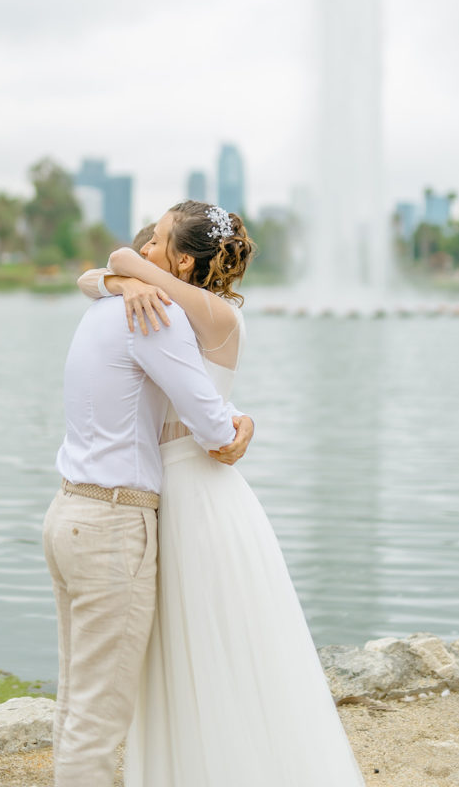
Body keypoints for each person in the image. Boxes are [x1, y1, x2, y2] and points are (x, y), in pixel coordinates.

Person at [79, 200, 366, 787]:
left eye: (159, 242)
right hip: (168, 487)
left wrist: (124, 272)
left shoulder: (214, 316)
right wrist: (117, 280)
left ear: (184, 262)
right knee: (175, 652)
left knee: (216, 642)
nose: (146, 246)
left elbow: (119, 258)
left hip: (198, 491)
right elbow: (97, 277)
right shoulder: (169, 308)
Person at [42, 272, 255, 787]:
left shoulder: (104, 307)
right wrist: (239, 423)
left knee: (77, 697)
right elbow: (210, 427)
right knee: (98, 716)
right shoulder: (155, 316)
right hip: (113, 522)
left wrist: (114, 278)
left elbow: (91, 277)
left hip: (69, 509)